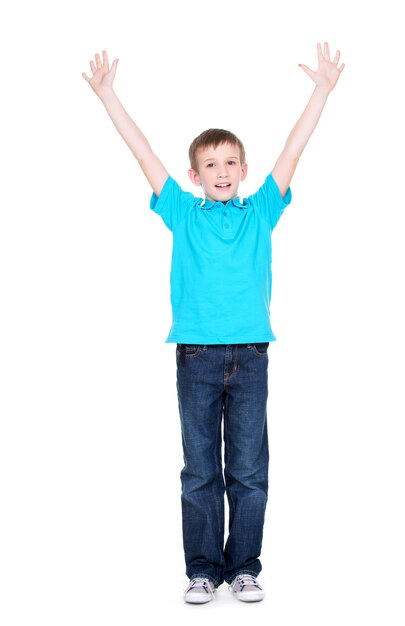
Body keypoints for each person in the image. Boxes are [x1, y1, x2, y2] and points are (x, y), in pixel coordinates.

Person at [82, 43, 344, 604]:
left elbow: (294, 153)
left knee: (248, 469)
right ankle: (203, 569)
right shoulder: (180, 211)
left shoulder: (261, 211)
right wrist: (108, 96)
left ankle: (244, 567)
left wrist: (320, 91)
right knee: (200, 470)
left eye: (230, 163)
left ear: (244, 171)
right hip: (196, 357)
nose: (221, 172)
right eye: (210, 164)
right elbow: (142, 153)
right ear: (194, 173)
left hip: (250, 354)